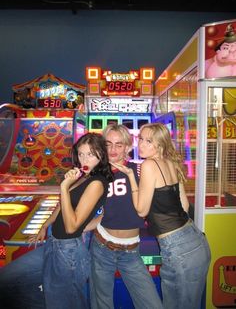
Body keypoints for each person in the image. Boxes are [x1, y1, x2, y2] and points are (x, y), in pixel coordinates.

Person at [0, 132, 113, 309]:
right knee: (7, 280)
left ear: (101, 155)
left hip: (68, 251)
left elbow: (72, 226)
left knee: (64, 303)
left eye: (90, 154)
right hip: (53, 243)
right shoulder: (85, 177)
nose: (84, 159)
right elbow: (62, 206)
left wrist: (63, 186)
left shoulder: (97, 183)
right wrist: (45, 226)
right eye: (81, 154)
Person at [112, 122, 211, 309]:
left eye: (148, 141)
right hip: (195, 240)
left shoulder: (149, 165)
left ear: (160, 144)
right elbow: (184, 205)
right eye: (141, 138)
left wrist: (132, 178)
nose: (141, 144)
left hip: (177, 248)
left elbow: (141, 210)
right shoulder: (172, 163)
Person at [88, 124, 163, 309]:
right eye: (108, 144)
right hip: (101, 247)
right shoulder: (95, 173)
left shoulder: (140, 170)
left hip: (131, 251)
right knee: (101, 304)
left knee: (151, 304)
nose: (113, 150)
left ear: (128, 147)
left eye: (119, 144)